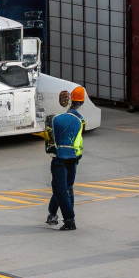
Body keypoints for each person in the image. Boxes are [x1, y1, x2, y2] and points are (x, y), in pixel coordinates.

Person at [44, 86, 86, 231]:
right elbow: (78, 141)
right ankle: (53, 214)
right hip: (73, 158)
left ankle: (69, 220)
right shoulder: (79, 120)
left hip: (60, 158)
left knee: (60, 189)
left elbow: (51, 141)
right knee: (66, 189)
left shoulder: (58, 119)